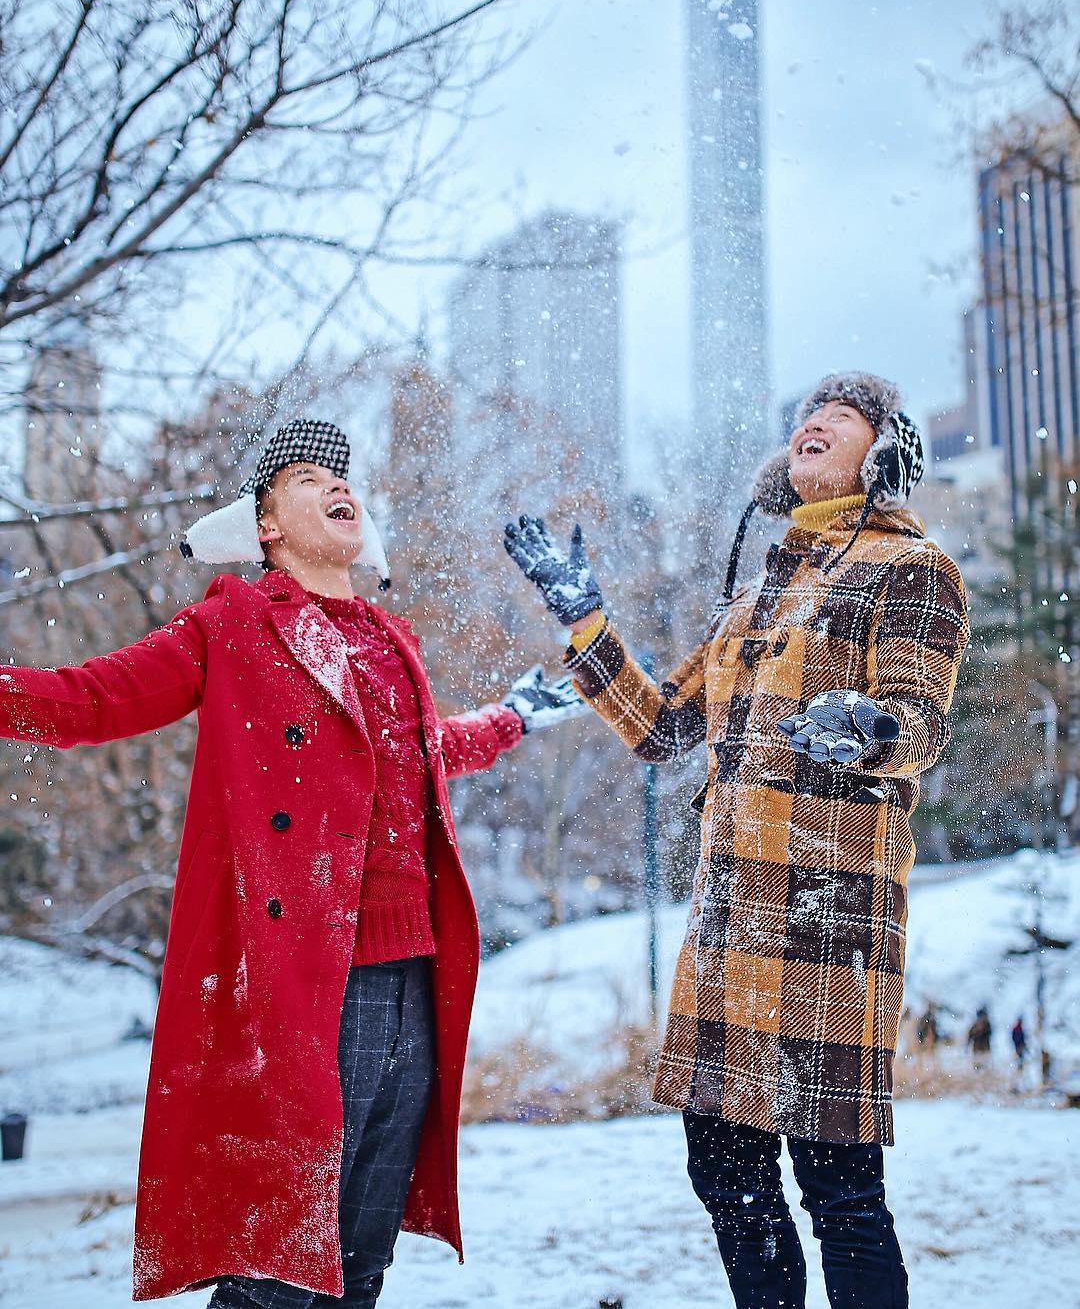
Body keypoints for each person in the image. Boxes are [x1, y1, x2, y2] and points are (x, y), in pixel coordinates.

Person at [0, 419, 584, 1307]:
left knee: (361, 1263)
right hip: (312, 976)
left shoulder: (389, 639)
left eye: (342, 477)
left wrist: (511, 719)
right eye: (307, 477)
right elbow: (91, 700)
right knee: (279, 1269)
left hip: (414, 975)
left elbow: (421, 751)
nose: (337, 486)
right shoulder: (233, 624)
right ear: (265, 525)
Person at [506, 373, 970, 1309]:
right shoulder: (757, 592)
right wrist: (584, 620)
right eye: (805, 415)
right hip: (729, 926)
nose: (813, 422)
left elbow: (920, 723)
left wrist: (871, 729)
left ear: (883, 455)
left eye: (842, 415)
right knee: (727, 1178)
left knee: (841, 1194)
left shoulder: (913, 569)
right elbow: (662, 727)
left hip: (829, 918)